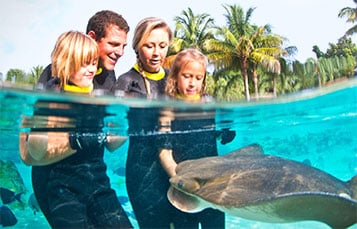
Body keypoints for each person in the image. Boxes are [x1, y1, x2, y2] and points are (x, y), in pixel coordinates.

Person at [19, 30, 133, 228]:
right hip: (63, 187)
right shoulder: (52, 98)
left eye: (92, 63)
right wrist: (40, 122)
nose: (90, 69)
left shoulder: (100, 96)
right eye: (84, 63)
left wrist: (130, 120)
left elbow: (112, 143)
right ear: (65, 63)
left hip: (98, 182)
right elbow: (34, 154)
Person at [37, 10, 130, 93]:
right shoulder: (55, 72)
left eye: (123, 46)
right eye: (113, 44)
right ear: (92, 37)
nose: (120, 52)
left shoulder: (109, 75)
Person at [112, 17, 172, 98]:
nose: (156, 53)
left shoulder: (173, 79)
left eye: (162, 46)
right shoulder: (126, 81)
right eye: (149, 46)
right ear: (137, 47)